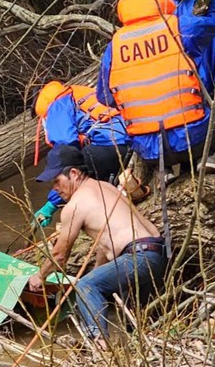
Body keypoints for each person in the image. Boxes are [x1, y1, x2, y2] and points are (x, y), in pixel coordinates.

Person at [27, 144, 167, 346]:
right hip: (156, 253)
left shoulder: (74, 206)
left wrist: (39, 276)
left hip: (137, 257)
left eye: (56, 181)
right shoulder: (106, 187)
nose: (54, 188)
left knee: (85, 286)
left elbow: (59, 256)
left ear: (74, 173)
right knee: (133, 322)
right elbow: (108, 243)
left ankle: (100, 346)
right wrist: (97, 272)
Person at [96, 0, 215, 182]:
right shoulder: (179, 26)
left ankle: (163, 171)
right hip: (192, 140)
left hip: (149, 150)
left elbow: (104, 97)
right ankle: (208, 157)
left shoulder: (115, 46)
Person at [150, 0, 215, 174]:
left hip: (165, 94)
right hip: (202, 82)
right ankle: (206, 157)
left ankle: (165, 168)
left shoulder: (152, 8)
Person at [32, 81, 134, 227]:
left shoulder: (56, 105)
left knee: (73, 166)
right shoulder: (80, 93)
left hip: (109, 150)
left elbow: (66, 151)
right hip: (131, 142)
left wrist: (51, 204)